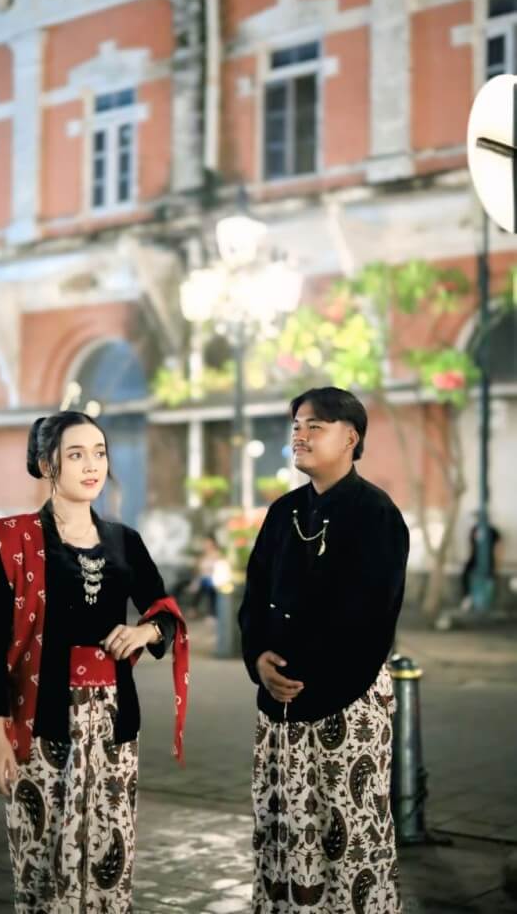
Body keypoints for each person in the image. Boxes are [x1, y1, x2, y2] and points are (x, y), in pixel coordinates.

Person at [0, 410, 188, 914]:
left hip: (114, 723)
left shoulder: (124, 541)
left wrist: (143, 631)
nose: (92, 466)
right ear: (49, 465)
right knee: (42, 859)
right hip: (40, 717)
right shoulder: (15, 542)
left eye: (99, 453)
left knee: (110, 851)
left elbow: (166, 613)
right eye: (76, 455)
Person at [238, 386, 409, 913]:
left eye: (315, 425)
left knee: (347, 833)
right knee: (281, 831)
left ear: (351, 437)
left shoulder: (375, 514)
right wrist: (259, 661)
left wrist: (309, 683)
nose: (300, 435)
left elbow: (371, 619)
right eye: (296, 425)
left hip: (347, 704)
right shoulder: (283, 512)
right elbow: (254, 597)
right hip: (279, 707)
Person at [459, 512, 502, 610]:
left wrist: (498, 562)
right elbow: (470, 546)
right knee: (465, 574)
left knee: (490, 579)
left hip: (489, 558)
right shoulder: (474, 529)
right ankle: (467, 597)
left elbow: (499, 547)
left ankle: (490, 602)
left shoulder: (492, 531)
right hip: (474, 557)